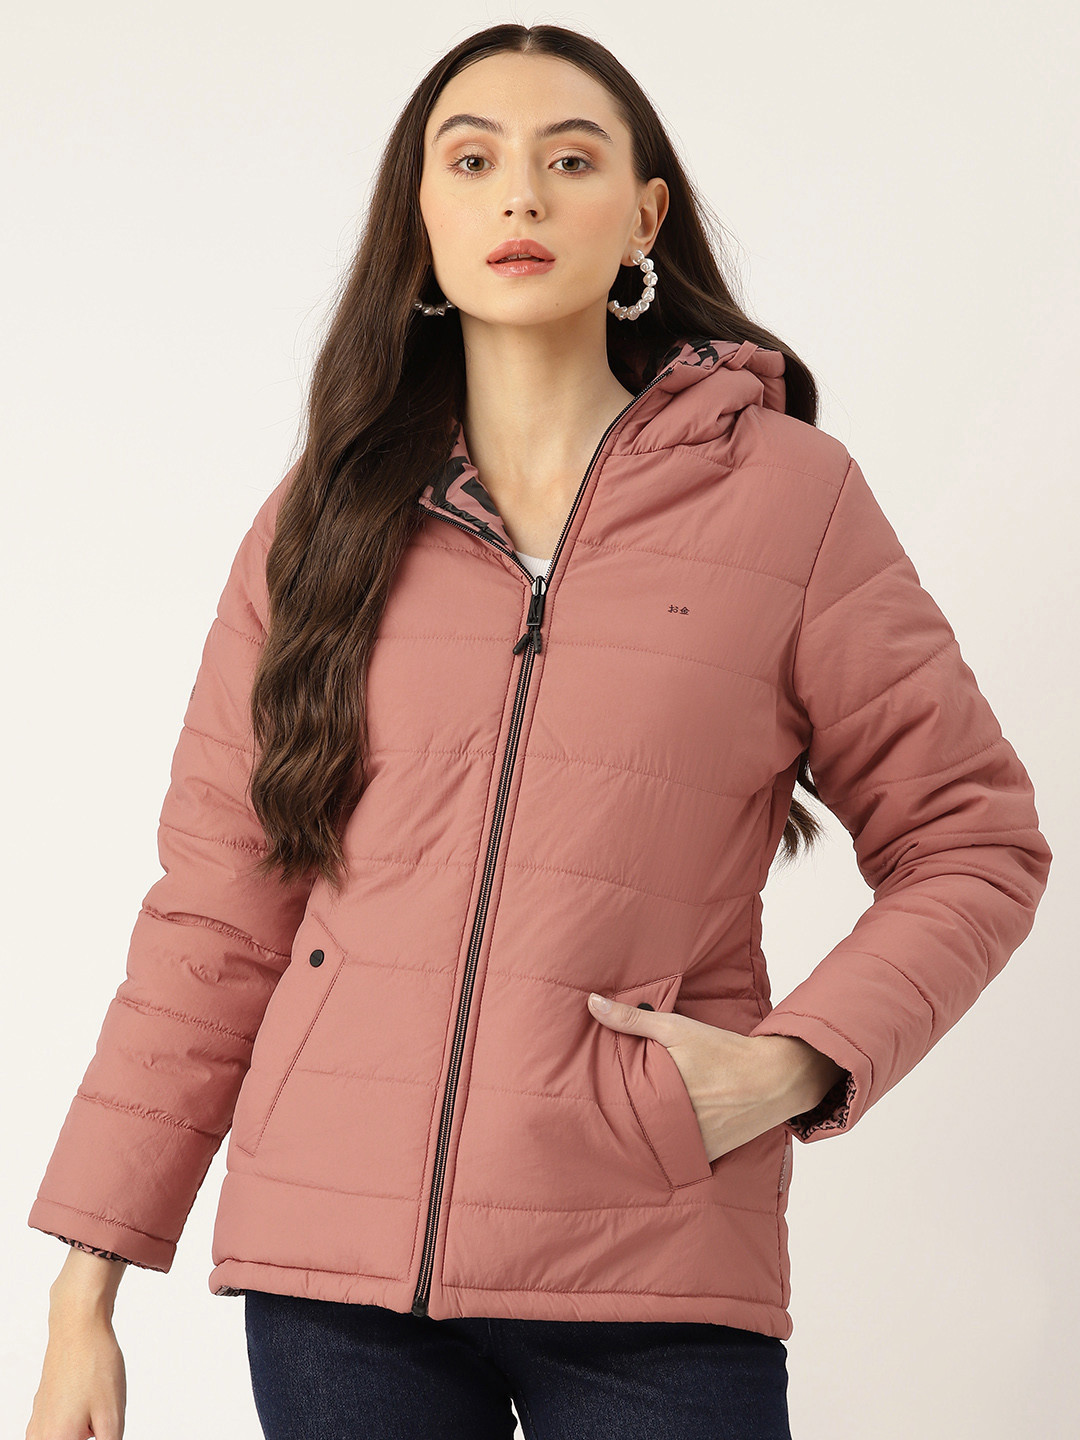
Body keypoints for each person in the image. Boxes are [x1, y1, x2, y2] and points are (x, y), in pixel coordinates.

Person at [25, 22, 1052, 1440]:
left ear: (643, 217)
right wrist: (85, 1291)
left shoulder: (790, 499)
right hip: (335, 1281)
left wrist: (800, 1061)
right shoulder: (319, 522)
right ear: (421, 222)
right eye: (473, 161)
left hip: (652, 1258)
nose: (519, 194)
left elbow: (974, 842)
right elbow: (217, 915)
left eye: (570, 161)